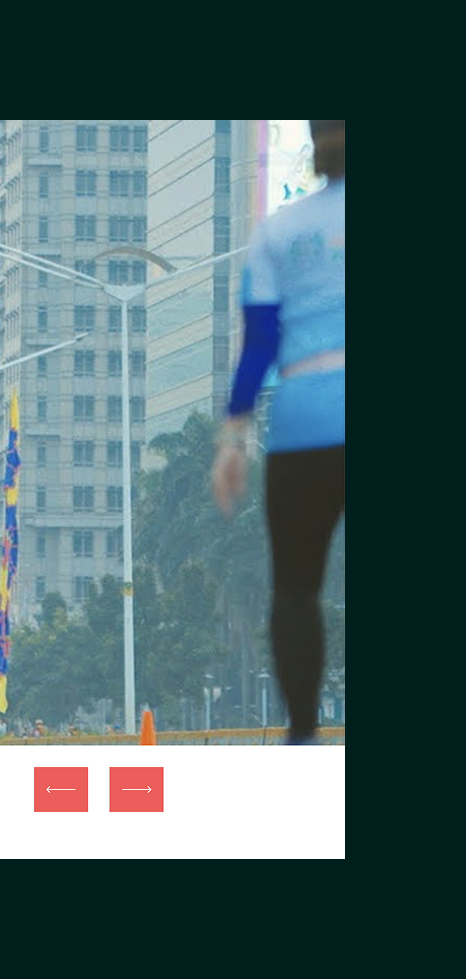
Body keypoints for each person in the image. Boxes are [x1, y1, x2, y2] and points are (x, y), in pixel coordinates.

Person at [212, 120, 345, 746]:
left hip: (303, 425)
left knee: (295, 586)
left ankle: (302, 733)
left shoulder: (279, 231)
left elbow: (258, 342)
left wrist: (232, 442)